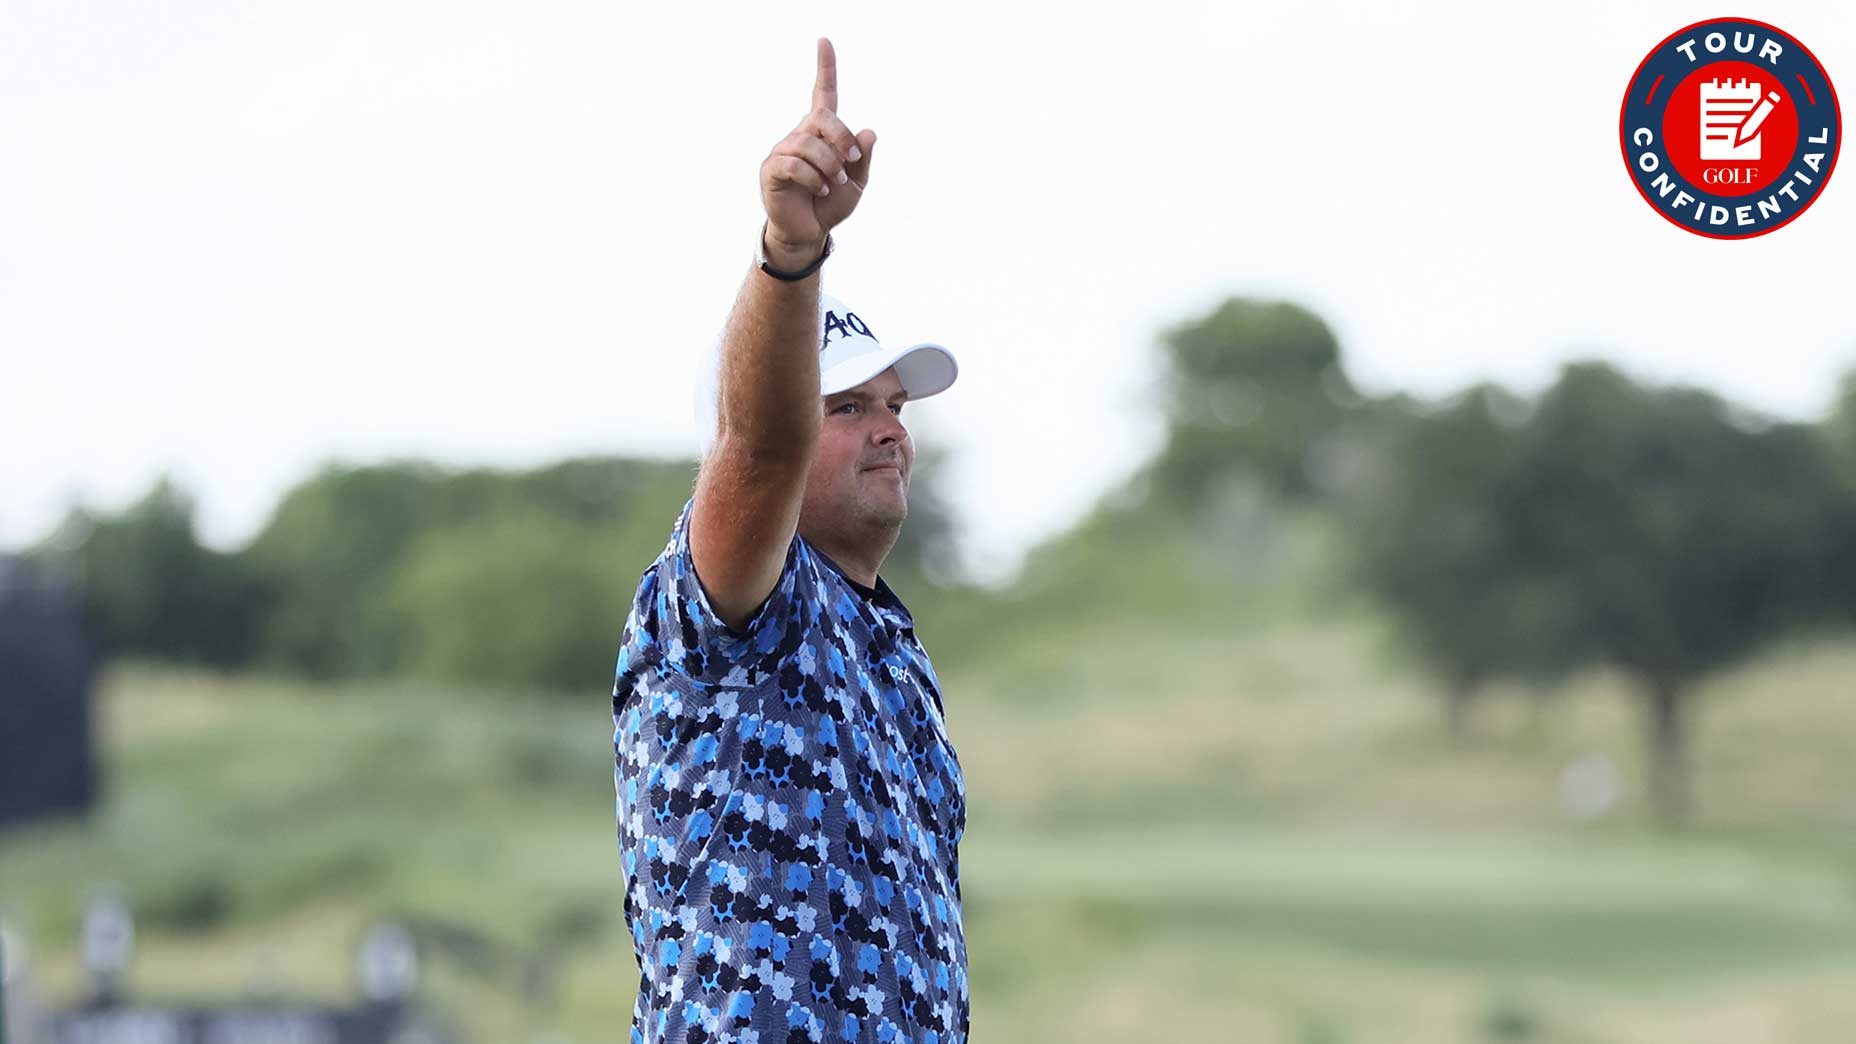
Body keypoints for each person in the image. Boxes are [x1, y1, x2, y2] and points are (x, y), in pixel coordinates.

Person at [610, 37, 969, 1044]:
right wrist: (790, 250)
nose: (890, 429)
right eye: (848, 407)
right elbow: (761, 448)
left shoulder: (888, 639)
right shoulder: (729, 603)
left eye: (894, 405)